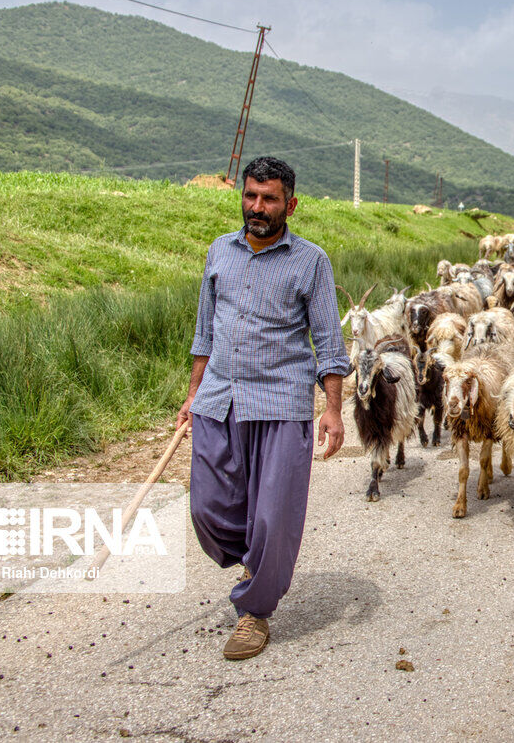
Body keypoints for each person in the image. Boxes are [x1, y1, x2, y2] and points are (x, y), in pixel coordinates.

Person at [177, 156, 350, 661]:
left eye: (269, 198)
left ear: (290, 204)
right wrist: (192, 394)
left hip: (279, 402)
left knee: (273, 518)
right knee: (206, 508)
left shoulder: (311, 261)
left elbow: (329, 345)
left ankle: (255, 610)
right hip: (219, 398)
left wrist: (333, 410)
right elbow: (204, 333)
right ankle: (255, 560)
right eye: (251, 195)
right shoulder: (219, 252)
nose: (257, 206)